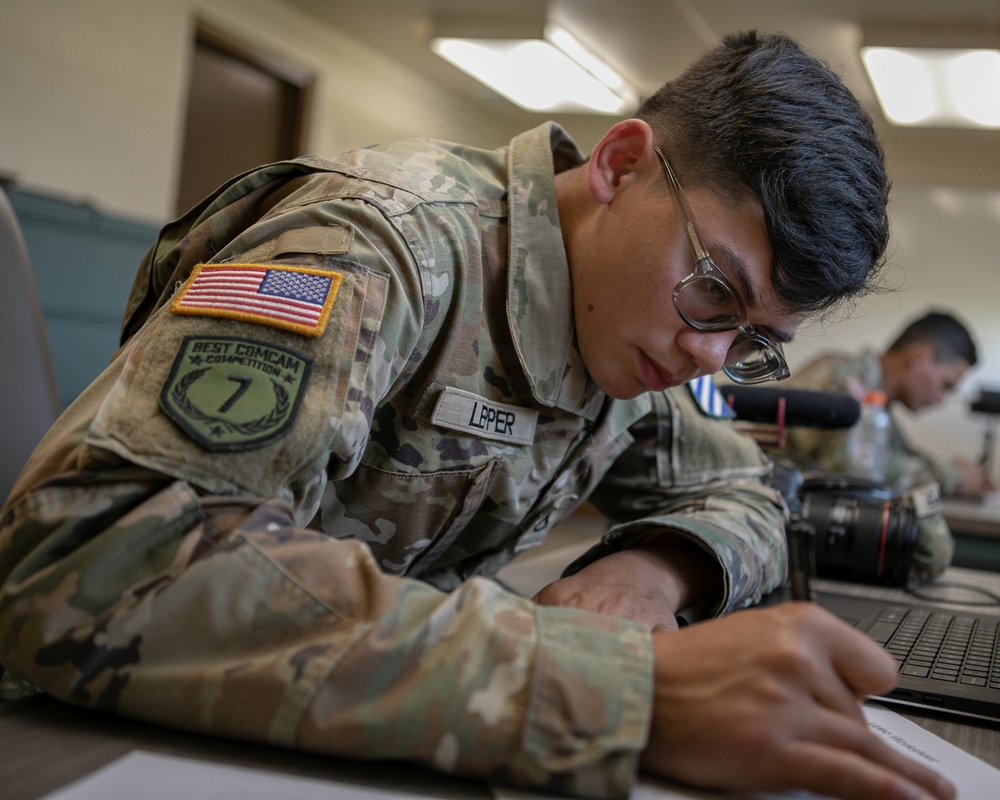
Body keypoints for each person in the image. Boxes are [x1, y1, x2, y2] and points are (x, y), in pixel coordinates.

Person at [0, 31, 953, 800]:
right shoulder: (380, 248)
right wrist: (625, 694)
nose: (711, 355)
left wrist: (656, 568)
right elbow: (90, 554)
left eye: (752, 339)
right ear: (622, 164)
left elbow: (741, 480)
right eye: (714, 291)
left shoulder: (631, 333)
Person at [780, 310, 992, 579]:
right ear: (919, 360)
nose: (941, 398)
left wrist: (954, 471)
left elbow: (901, 457)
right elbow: (851, 468)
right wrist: (955, 477)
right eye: (945, 384)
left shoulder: (879, 408)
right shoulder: (839, 375)